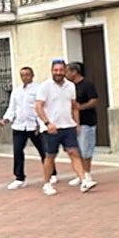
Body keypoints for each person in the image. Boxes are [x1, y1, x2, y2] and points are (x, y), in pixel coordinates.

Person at [34, 59, 94, 195]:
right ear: (51, 71)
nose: (58, 73)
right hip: (51, 128)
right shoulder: (45, 86)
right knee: (50, 156)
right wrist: (47, 123)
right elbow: (38, 106)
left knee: (74, 153)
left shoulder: (70, 86)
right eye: (56, 70)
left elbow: (74, 107)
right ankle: (47, 183)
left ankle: (84, 180)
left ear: (65, 71)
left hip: (68, 126)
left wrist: (76, 123)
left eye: (61, 70)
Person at [0, 65, 45, 189]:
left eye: (27, 75)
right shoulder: (17, 90)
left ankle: (51, 173)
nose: (25, 77)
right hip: (19, 126)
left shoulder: (38, 89)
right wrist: (6, 119)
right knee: (18, 151)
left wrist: (40, 123)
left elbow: (41, 107)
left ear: (32, 75)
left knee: (43, 150)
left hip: (34, 126)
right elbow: (12, 107)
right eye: (22, 75)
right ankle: (19, 177)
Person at [64, 61, 99, 187]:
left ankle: (87, 174)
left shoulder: (87, 85)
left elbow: (94, 100)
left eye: (67, 71)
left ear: (74, 72)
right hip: (72, 123)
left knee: (85, 150)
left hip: (86, 122)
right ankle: (80, 175)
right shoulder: (69, 86)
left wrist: (81, 107)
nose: (65, 74)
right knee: (75, 150)